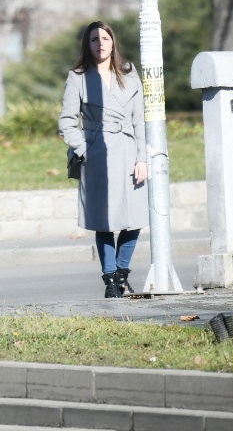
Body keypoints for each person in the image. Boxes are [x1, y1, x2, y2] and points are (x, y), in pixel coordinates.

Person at [58, 20, 147, 298]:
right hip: (98, 154)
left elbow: (140, 120)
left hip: (129, 152)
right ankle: (110, 280)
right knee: (104, 220)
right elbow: (67, 121)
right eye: (94, 39)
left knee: (135, 218)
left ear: (113, 42)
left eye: (105, 39)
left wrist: (142, 158)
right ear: (88, 44)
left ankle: (122, 274)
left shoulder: (129, 73)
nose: (100, 44)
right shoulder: (78, 77)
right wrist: (84, 149)